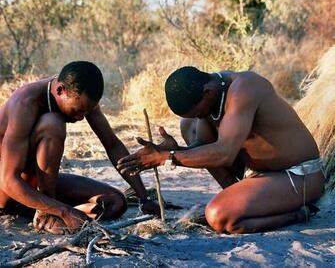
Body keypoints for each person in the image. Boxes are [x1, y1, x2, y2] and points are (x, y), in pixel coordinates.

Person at [117, 66, 325, 234]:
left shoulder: (245, 88)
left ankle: (297, 214)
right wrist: (174, 150)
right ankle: (240, 199)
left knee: (218, 216)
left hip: (298, 176)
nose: (201, 117)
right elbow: (206, 148)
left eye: (200, 112)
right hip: (261, 175)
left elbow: (225, 153)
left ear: (207, 92)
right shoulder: (213, 93)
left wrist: (167, 158)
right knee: (187, 125)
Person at [0, 61, 159, 235]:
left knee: (115, 202)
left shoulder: (80, 95)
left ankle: (48, 210)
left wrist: (144, 198)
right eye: (78, 111)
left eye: (86, 111)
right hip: (7, 190)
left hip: (35, 184)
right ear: (61, 90)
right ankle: (46, 214)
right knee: (53, 124)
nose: (82, 117)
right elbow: (9, 181)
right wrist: (64, 211)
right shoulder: (25, 104)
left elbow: (112, 144)